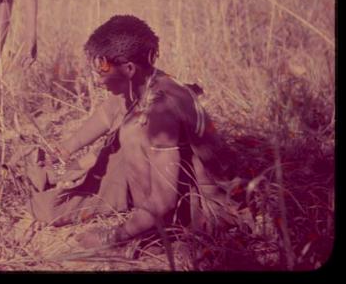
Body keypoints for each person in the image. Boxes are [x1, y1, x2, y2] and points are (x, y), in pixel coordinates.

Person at [27, 15, 245, 248]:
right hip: (172, 187)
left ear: (129, 68)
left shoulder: (159, 113)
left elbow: (163, 203)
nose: (99, 81)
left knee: (129, 134)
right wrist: (65, 149)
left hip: (208, 210)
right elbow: (107, 112)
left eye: (102, 72)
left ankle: (149, 236)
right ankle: (67, 173)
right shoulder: (149, 81)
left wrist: (112, 237)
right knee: (58, 187)